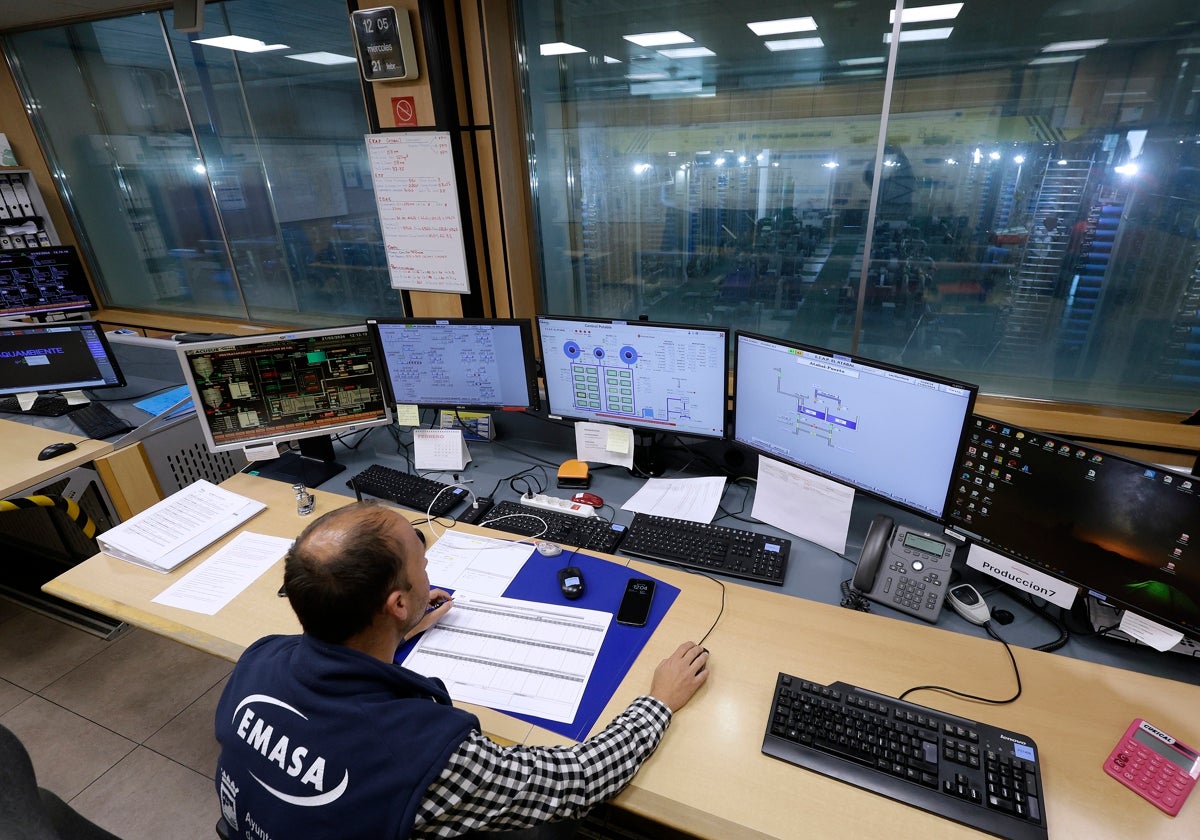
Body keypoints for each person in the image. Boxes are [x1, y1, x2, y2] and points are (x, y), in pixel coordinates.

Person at [214, 501, 710, 839]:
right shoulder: (427, 757)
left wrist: (397, 630)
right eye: (421, 560)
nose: (429, 570)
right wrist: (658, 702)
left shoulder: (260, 658)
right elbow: (578, 779)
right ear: (397, 602)